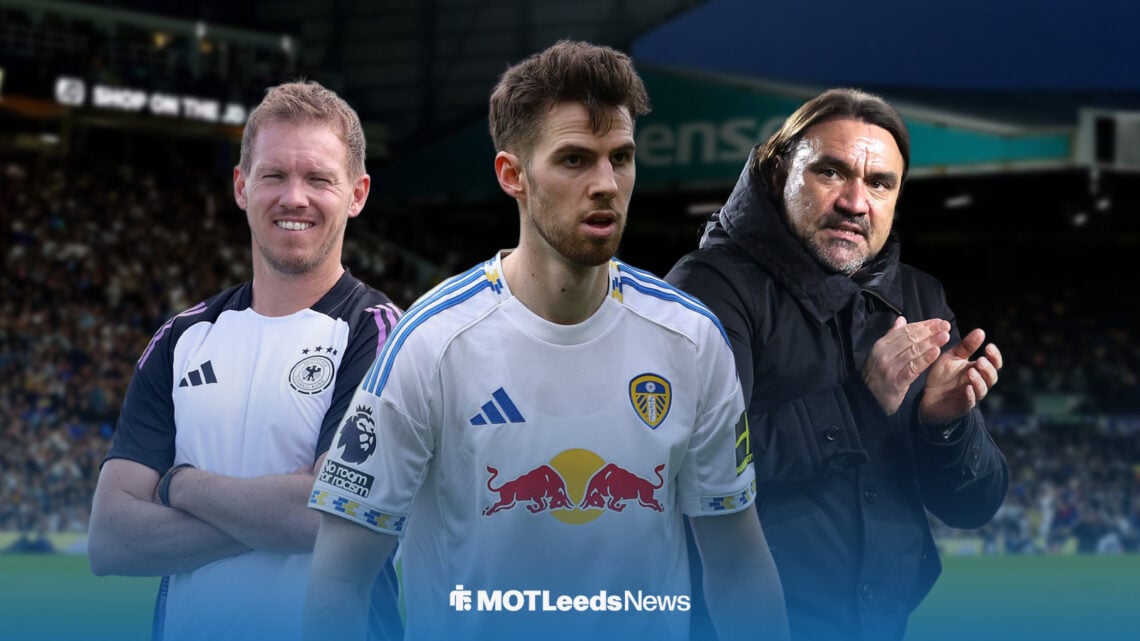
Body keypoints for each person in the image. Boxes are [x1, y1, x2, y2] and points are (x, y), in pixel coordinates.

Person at [303, 40, 788, 641]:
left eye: (622, 157)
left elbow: (738, 563)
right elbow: (340, 580)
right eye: (576, 160)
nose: (608, 183)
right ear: (513, 175)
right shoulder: (431, 343)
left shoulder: (690, 339)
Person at [665, 88, 1009, 641]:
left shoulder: (918, 297)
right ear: (779, 174)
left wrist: (945, 425)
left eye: (879, 183)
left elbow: (973, 505)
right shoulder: (708, 287)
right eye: (831, 172)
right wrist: (861, 402)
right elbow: (688, 463)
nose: (856, 201)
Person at [87, 81, 403, 641]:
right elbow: (112, 539)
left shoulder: (376, 332)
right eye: (274, 175)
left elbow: (330, 515)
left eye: (318, 178)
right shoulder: (181, 338)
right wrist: (277, 515)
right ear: (242, 186)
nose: (294, 197)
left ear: (357, 194)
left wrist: (180, 486)